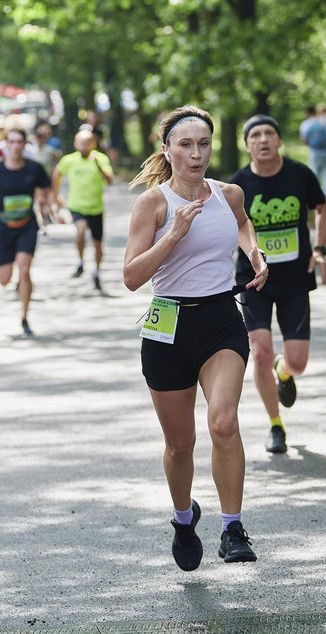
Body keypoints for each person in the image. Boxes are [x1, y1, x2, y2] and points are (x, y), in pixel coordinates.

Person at [123, 106, 268, 571]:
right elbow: (130, 276)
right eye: (185, 144)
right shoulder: (154, 203)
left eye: (203, 144)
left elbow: (243, 222)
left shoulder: (229, 194)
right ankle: (184, 519)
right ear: (166, 149)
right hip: (168, 326)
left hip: (221, 319)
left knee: (224, 423)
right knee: (180, 444)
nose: (196, 153)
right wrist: (174, 234)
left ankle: (232, 527)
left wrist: (254, 252)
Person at [230, 114, 326, 454]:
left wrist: (319, 249)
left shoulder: (300, 174)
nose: (262, 140)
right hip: (253, 280)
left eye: (269, 133)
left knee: (298, 362)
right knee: (258, 351)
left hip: (295, 280)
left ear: (279, 140)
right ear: (247, 145)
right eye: (255, 135)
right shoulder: (238, 186)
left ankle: (283, 372)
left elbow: (323, 207)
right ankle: (276, 426)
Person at [0, 127, 52, 336]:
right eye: (12, 142)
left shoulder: (34, 168)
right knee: (4, 279)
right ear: (6, 145)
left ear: (24, 144)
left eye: (20, 142)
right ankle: (18, 283)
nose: (16, 146)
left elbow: (46, 190)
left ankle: (25, 316)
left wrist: (48, 207)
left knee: (25, 268)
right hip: (3, 227)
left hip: (27, 225)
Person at [52, 129, 113, 290]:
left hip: (96, 208)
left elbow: (110, 180)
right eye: (81, 143)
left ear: (94, 144)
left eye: (88, 143)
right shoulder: (69, 160)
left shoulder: (100, 159)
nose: (84, 146)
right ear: (75, 143)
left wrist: (99, 167)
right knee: (80, 231)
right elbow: (56, 174)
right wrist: (56, 196)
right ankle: (80, 261)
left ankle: (97, 273)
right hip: (77, 206)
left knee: (97, 243)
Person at [299, 104, 326, 206]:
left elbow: (304, 140)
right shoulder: (324, 121)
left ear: (307, 113)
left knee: (314, 176)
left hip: (314, 153)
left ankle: (313, 201)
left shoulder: (305, 124)